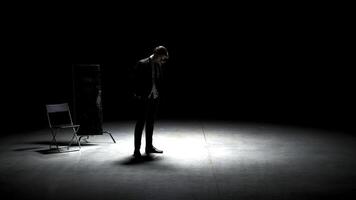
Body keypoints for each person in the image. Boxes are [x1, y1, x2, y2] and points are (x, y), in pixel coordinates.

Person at [130, 46, 169, 157]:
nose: (163, 61)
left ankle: (149, 147)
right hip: (144, 97)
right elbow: (134, 80)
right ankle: (136, 150)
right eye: (162, 58)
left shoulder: (159, 64)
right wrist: (137, 94)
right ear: (156, 54)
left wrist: (158, 93)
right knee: (140, 123)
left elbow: (160, 80)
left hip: (155, 97)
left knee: (150, 123)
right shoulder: (142, 63)